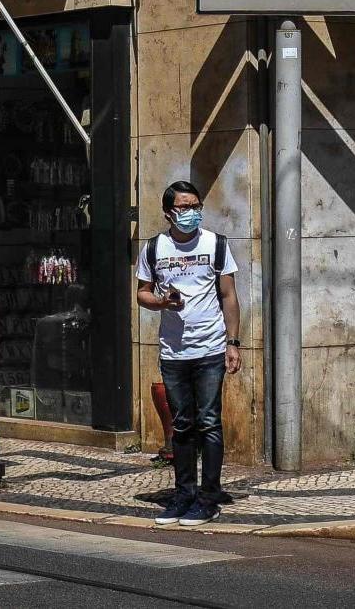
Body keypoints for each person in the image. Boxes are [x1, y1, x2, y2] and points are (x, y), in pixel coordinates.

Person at [133, 179, 240, 528]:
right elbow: (142, 294)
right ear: (168, 213)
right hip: (173, 351)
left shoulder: (216, 244)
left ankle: (209, 499)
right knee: (181, 425)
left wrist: (233, 343)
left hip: (210, 347)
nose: (191, 213)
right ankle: (183, 495)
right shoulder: (154, 249)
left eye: (195, 206)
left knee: (208, 422)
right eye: (183, 207)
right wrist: (163, 301)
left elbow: (229, 296)